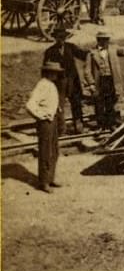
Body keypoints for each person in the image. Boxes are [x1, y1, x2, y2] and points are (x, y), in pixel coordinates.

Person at [42, 25, 88, 134]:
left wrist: (93, 52)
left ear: (65, 38)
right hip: (58, 82)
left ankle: (78, 125)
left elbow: (83, 55)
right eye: (59, 37)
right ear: (55, 38)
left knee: (76, 103)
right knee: (59, 105)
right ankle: (61, 128)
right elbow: (45, 69)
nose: (61, 40)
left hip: (73, 81)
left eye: (63, 37)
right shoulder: (50, 51)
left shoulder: (71, 47)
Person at [26, 61, 64, 191]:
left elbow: (49, 101)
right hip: (45, 123)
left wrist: (57, 110)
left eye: (57, 73)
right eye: (54, 73)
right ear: (48, 73)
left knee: (54, 151)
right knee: (45, 151)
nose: (56, 75)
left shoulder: (51, 84)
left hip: (52, 120)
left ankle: (50, 178)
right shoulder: (42, 85)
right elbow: (30, 105)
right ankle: (43, 182)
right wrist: (42, 115)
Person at [86, 31, 124, 131]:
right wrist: (91, 83)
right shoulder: (91, 53)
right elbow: (87, 70)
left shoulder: (113, 49)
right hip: (99, 81)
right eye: (104, 39)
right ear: (99, 40)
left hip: (110, 79)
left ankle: (111, 124)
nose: (106, 42)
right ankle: (100, 125)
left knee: (110, 102)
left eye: (107, 39)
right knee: (99, 104)